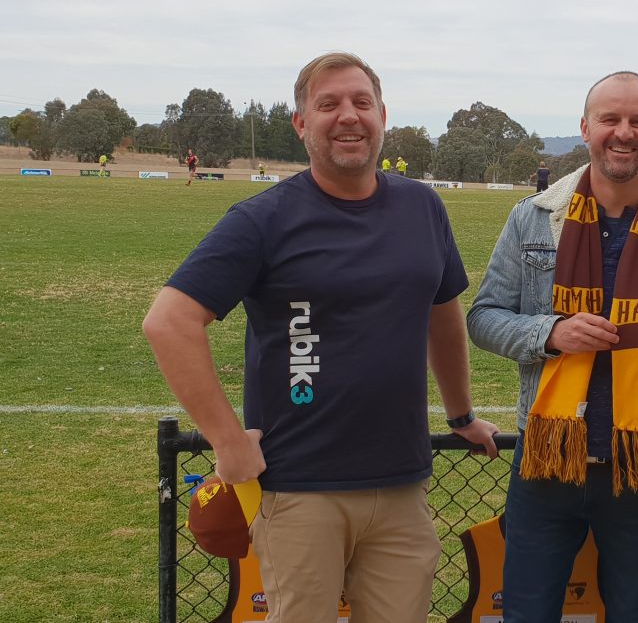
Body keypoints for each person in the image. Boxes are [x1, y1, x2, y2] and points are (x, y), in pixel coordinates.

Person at [142, 52, 499, 623]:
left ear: (383, 114)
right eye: (328, 104)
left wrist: (461, 416)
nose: (348, 116)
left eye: (361, 102)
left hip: (402, 483)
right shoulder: (263, 219)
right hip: (298, 487)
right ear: (301, 124)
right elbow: (169, 322)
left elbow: (442, 312)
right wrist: (229, 445)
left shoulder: (422, 206)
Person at [467, 70, 638, 623]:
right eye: (610, 119)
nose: (624, 132)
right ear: (585, 127)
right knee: (526, 612)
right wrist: (550, 333)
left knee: (636, 611)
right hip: (547, 457)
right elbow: (484, 317)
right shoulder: (534, 218)